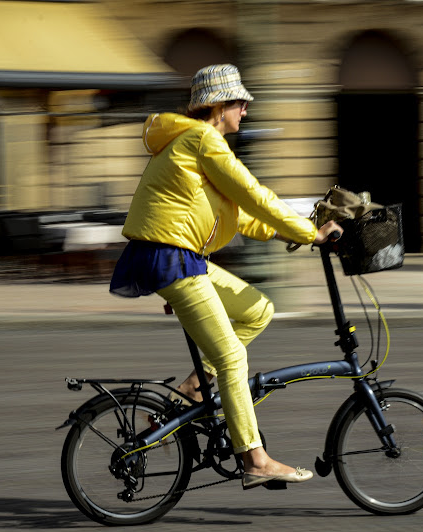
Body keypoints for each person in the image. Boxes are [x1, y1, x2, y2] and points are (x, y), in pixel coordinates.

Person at [109, 64, 343, 490]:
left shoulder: (196, 144)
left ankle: (194, 388)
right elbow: (253, 192)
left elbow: (240, 216)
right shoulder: (202, 140)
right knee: (234, 358)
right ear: (217, 106)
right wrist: (311, 232)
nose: (246, 111)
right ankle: (254, 458)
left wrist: (297, 233)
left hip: (180, 259)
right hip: (172, 258)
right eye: (240, 103)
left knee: (257, 308)